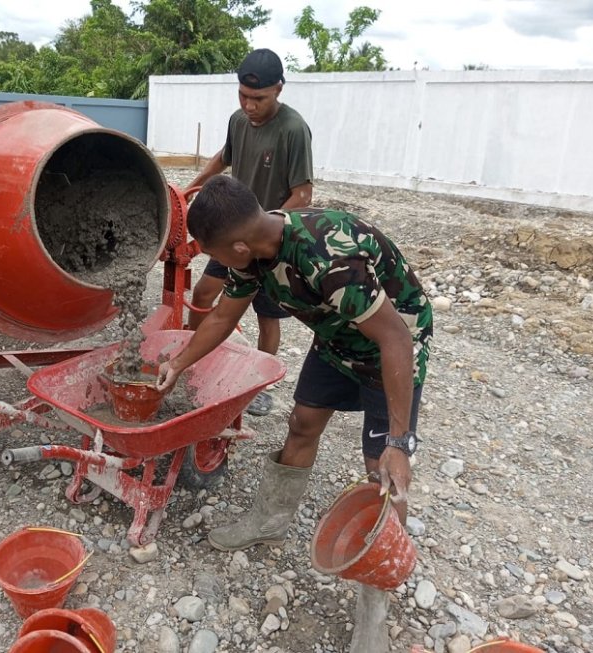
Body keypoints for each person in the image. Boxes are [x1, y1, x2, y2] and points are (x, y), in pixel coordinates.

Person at [157, 175, 433, 653]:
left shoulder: (329, 259)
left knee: (381, 471)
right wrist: (178, 364)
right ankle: (269, 519)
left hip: (387, 350)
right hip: (335, 341)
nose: (218, 264)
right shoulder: (257, 253)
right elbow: (224, 316)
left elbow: (395, 340)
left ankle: (375, 599)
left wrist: (400, 442)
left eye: (218, 255)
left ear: (238, 246)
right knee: (302, 423)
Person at [185, 48, 313, 417]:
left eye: (259, 98)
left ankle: (256, 384)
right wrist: (190, 188)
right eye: (242, 95)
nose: (249, 105)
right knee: (204, 291)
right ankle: (193, 357)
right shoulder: (237, 120)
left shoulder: (293, 129)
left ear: (279, 89)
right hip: (230, 237)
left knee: (266, 314)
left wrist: (265, 231)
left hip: (269, 243)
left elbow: (302, 194)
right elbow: (223, 157)